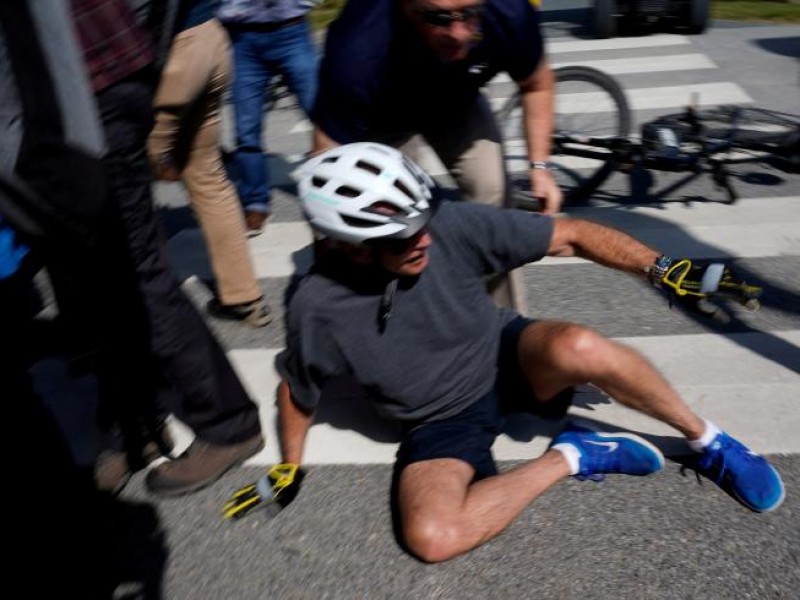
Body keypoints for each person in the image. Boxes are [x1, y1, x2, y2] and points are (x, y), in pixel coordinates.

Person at [271, 143, 784, 563]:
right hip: (439, 420)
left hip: (505, 355)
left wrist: (664, 269)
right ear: (351, 245)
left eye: (424, 221)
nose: (424, 239)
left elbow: (573, 236)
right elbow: (298, 391)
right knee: (432, 537)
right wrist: (289, 466)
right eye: (404, 236)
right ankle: (577, 453)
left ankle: (708, 441)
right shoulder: (318, 305)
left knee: (579, 344)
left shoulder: (446, 226)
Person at [68, 0, 265, 496]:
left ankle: (226, 420)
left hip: (98, 83)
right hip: (103, 76)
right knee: (96, 276)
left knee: (135, 270)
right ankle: (133, 422)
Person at [311, 0, 561, 214]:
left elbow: (537, 85)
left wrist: (540, 168)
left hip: (455, 101)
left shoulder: (509, 12)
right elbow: (327, 156)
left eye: (471, 12)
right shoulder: (357, 49)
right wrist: (329, 238)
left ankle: (490, 266)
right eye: (437, 17)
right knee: (397, 212)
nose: (459, 33)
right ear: (406, 6)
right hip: (382, 117)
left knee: (492, 191)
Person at [148, 0, 271, 327]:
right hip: (211, 38)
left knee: (126, 178)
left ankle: (145, 312)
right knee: (208, 176)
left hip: (175, 51)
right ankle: (244, 298)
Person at [217, 0, 320, 237]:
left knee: (322, 117)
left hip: (291, 31)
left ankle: (344, 184)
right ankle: (255, 203)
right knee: (246, 131)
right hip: (242, 38)